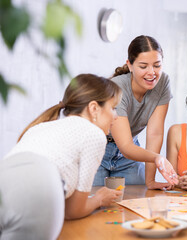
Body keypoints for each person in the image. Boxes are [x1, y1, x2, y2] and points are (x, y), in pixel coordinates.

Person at [0, 74, 124, 239]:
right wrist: (99, 199)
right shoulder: (94, 134)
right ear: (94, 108)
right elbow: (73, 211)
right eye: (113, 108)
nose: (116, 116)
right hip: (37, 188)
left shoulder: (40, 127)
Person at [93, 35, 178, 189]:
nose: (152, 73)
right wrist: (157, 158)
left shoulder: (163, 82)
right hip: (97, 150)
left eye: (157, 65)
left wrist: (150, 181)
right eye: (143, 66)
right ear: (130, 65)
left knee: (136, 202)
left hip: (131, 152)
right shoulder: (117, 88)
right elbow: (125, 145)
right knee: (96, 206)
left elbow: (155, 134)